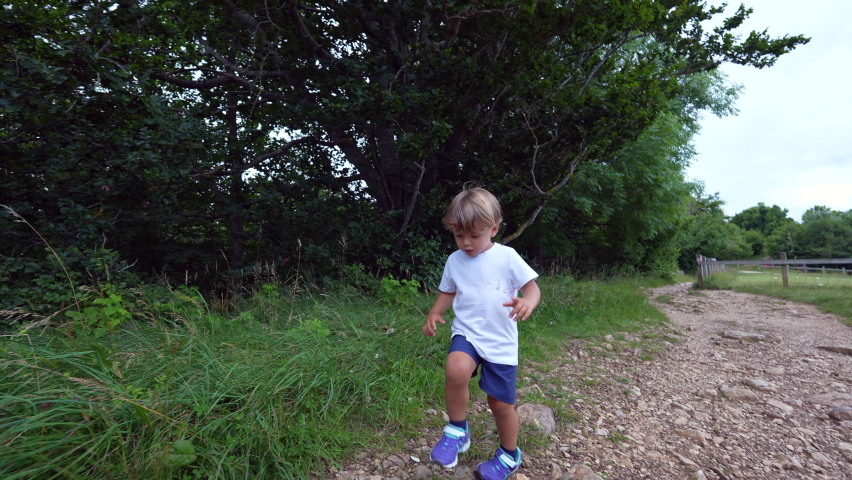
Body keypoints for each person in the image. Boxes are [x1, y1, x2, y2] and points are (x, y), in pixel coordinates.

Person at [422, 186, 541, 480]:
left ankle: (508, 455)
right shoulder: (455, 260)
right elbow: (448, 291)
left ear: (494, 228)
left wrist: (528, 301)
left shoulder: (507, 257)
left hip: (500, 341)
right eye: (459, 235)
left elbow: (532, 288)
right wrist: (436, 311)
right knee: (456, 367)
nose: (466, 242)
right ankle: (457, 430)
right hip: (468, 333)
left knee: (500, 404)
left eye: (474, 235)